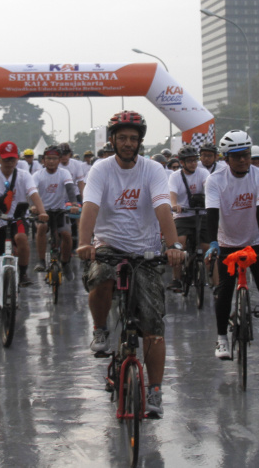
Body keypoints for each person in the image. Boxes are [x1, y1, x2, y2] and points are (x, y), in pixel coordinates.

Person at [77, 111, 183, 418]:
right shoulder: (101, 169)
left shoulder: (153, 170)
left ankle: (155, 390)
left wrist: (173, 245)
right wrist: (85, 243)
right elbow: (90, 207)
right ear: (112, 140)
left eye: (133, 139)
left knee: (153, 328)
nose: (127, 143)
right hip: (109, 245)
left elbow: (163, 207)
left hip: (146, 251)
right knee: (100, 277)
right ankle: (100, 329)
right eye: (122, 138)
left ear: (140, 142)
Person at [207, 130, 259, 360]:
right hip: (227, 242)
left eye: (247, 154)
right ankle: (222, 338)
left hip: (255, 240)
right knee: (224, 291)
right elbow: (212, 214)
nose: (243, 160)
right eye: (237, 155)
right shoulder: (215, 180)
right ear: (226, 158)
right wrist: (212, 243)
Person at [0, 141, 48, 320]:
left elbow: (33, 193)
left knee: (21, 238)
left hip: (17, 218)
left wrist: (42, 212)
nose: (9, 163)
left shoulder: (23, 174)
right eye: (5, 159)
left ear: (17, 159)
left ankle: (22, 274)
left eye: (12, 159)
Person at [168, 144, 210, 290]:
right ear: (182, 162)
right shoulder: (175, 177)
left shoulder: (203, 173)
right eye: (190, 161)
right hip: (183, 215)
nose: (193, 163)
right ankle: (177, 279)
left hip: (201, 214)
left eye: (195, 160)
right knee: (180, 244)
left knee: (207, 247)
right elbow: (172, 194)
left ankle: (213, 280)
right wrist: (174, 205)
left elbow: (208, 187)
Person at [32, 145, 78, 275]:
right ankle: (41, 261)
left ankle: (65, 262)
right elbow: (32, 192)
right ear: (43, 160)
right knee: (41, 229)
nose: (51, 161)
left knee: (66, 235)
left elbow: (70, 189)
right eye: (48, 159)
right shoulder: (37, 175)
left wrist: (74, 204)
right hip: (43, 211)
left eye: (54, 158)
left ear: (58, 160)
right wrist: (34, 206)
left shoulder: (64, 173)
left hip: (60, 211)